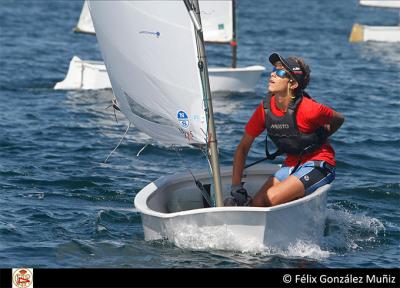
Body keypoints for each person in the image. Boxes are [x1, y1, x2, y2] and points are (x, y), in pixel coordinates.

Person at [224, 52, 345, 207]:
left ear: (293, 84)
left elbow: (339, 119)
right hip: (291, 164)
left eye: (280, 72)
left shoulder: (310, 109)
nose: (273, 74)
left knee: (269, 198)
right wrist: (236, 187)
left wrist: (321, 137)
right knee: (257, 204)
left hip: (318, 164)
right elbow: (243, 147)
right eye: (273, 70)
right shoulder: (264, 109)